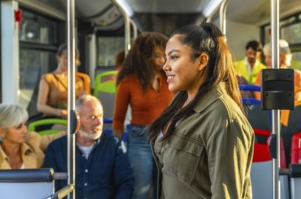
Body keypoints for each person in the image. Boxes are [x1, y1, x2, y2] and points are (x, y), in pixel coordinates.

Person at [149, 23, 254, 198]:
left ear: (202, 61)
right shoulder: (180, 100)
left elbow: (226, 193)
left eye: (174, 57)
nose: (165, 66)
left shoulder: (223, 118)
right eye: (166, 59)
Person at [113, 32, 174, 199]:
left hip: (167, 137)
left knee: (164, 190)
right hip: (140, 139)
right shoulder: (128, 82)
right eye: (157, 56)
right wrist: (117, 147)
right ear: (144, 57)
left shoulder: (171, 78)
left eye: (165, 55)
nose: (162, 60)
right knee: (140, 190)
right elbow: (118, 119)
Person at [43, 94, 134, 199]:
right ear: (76, 119)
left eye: (100, 116)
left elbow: (126, 183)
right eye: (92, 117)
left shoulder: (114, 146)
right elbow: (48, 187)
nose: (99, 122)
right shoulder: (56, 149)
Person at [0, 104, 64, 169]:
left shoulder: (31, 139)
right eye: (18, 127)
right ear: (1, 132)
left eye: (25, 124)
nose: (25, 130)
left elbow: (53, 139)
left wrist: (72, 129)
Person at [36, 43, 90, 120]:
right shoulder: (48, 78)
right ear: (59, 57)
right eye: (66, 57)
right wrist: (60, 112)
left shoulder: (78, 80)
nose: (69, 61)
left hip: (74, 119)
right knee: (70, 130)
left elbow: (82, 103)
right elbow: (40, 106)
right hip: (53, 119)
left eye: (73, 58)